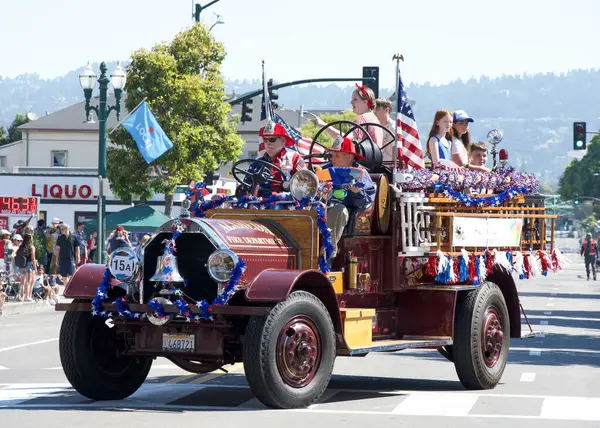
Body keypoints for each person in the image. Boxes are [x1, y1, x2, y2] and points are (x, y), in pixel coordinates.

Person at [322, 137, 376, 261]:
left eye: (337, 155)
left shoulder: (360, 174)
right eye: (332, 155)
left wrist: (356, 193)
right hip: (322, 206)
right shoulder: (325, 170)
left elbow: (365, 204)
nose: (332, 158)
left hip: (345, 211)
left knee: (339, 210)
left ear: (350, 157)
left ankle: (327, 256)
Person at [312, 84, 383, 156]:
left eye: (355, 99)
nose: (351, 102)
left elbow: (345, 139)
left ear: (365, 102)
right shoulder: (375, 119)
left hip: (364, 162)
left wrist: (323, 125)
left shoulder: (362, 119)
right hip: (375, 161)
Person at [243, 120, 307, 195]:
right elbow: (245, 188)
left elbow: (306, 183)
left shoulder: (294, 158)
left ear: (283, 141)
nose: (268, 143)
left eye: (272, 139)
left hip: (286, 204)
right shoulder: (256, 164)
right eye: (265, 140)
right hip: (258, 204)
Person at [15, 232, 37, 301]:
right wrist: (35, 268)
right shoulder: (32, 247)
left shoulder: (21, 246)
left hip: (21, 265)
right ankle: (27, 296)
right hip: (29, 265)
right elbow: (33, 258)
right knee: (28, 282)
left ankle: (21, 296)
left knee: (23, 281)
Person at [374, 98, 396, 162]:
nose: (374, 112)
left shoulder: (393, 127)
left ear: (386, 110)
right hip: (376, 165)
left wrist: (392, 165)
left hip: (388, 166)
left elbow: (395, 148)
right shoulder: (374, 126)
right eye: (374, 109)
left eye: (377, 109)